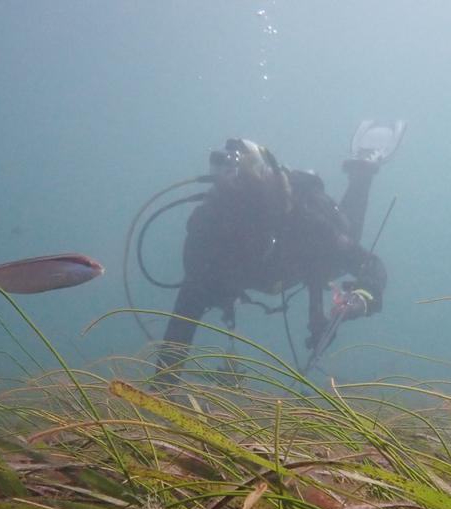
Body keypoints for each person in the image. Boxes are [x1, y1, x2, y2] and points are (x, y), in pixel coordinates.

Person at [157, 121, 404, 376]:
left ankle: (362, 170)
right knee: (196, 291)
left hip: (307, 259)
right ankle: (164, 387)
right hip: (273, 271)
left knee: (346, 237)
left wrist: (357, 303)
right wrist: (163, 384)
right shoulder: (210, 224)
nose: (242, 219)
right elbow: (189, 298)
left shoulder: (305, 217)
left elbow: (370, 265)